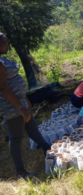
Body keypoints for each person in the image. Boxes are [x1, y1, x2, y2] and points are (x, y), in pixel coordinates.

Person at [0, 32, 50, 180]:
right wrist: (19, 106)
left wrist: (23, 100)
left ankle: (48, 150)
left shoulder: (2, 60)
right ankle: (20, 172)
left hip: (18, 102)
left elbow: (12, 83)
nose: (7, 45)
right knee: (16, 137)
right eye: (5, 42)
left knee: (32, 127)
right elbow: (3, 88)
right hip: (11, 106)